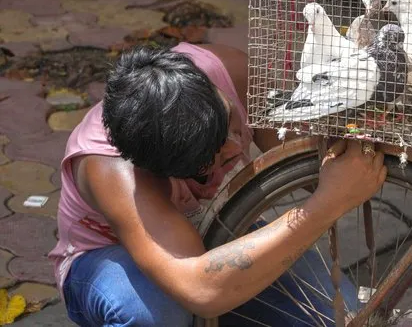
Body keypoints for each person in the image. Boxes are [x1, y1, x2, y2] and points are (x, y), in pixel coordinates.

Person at [48, 41, 388, 326]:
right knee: (155, 315)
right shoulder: (113, 171)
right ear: (161, 169)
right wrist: (328, 203)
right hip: (114, 257)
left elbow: (307, 162)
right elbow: (200, 290)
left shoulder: (233, 72)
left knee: (339, 315)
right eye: (214, 167)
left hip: (220, 227)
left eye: (237, 128)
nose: (237, 148)